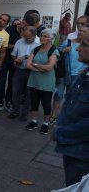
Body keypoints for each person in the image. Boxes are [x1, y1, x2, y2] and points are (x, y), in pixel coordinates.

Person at [54, 30, 89, 186]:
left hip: (82, 155)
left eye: (84, 44)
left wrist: (59, 132)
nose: (77, 48)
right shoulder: (85, 74)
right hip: (73, 151)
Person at [51, 24, 89, 124]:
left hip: (78, 74)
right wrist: (64, 50)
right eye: (80, 30)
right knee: (58, 94)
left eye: (84, 31)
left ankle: (66, 117)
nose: (81, 32)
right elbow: (56, 52)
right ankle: (53, 115)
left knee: (71, 96)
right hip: (64, 72)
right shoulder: (68, 42)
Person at [25, 29, 58, 134]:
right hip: (34, 81)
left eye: (45, 36)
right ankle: (34, 121)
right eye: (42, 36)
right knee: (34, 102)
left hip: (47, 82)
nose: (42, 38)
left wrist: (35, 65)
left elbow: (49, 67)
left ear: (51, 39)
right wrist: (39, 68)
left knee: (46, 103)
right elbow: (27, 64)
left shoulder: (53, 51)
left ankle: (45, 123)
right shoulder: (36, 49)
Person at [8, 26, 40, 121]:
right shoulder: (19, 41)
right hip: (19, 69)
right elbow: (14, 54)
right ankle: (15, 111)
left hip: (32, 71)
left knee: (28, 93)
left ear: (34, 35)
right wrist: (16, 60)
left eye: (29, 38)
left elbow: (39, 58)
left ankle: (25, 113)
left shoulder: (39, 44)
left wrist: (25, 57)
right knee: (15, 91)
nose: (26, 39)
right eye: (25, 37)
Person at [0, 15, 22, 113]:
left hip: (16, 61)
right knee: (1, 80)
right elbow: (4, 45)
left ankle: (8, 101)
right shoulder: (10, 29)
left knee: (12, 82)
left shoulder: (26, 32)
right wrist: (16, 46)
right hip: (5, 59)